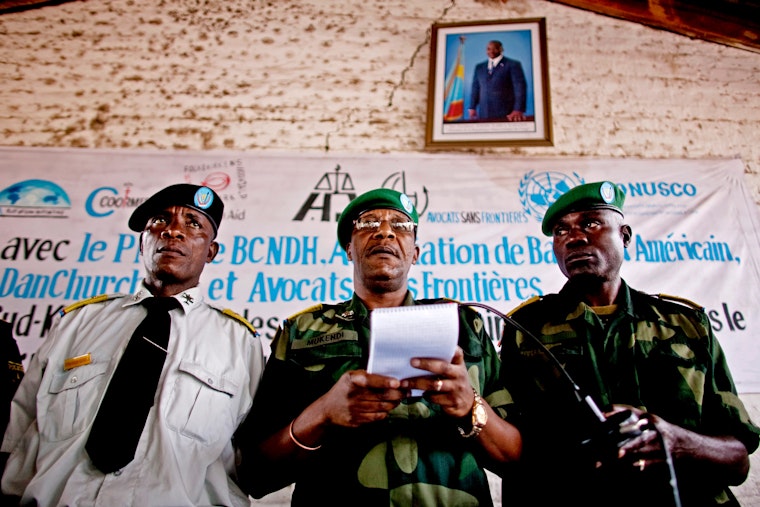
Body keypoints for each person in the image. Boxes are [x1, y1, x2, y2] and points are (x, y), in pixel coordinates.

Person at [234, 188, 522, 506]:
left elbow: (519, 460)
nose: (384, 231)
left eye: (400, 225)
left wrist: (470, 407)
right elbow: (254, 473)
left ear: (415, 252)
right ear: (348, 248)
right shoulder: (301, 331)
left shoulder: (464, 326)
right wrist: (322, 414)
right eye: (369, 223)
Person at [0, 184, 265, 506]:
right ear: (142, 242)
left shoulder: (239, 343)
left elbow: (247, 460)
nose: (173, 232)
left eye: (193, 223)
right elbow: (18, 435)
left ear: (211, 251)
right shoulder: (77, 323)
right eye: (160, 221)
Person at [499, 181, 760, 506]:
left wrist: (676, 441)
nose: (574, 237)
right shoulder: (525, 330)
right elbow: (506, 450)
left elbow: (738, 460)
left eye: (591, 223)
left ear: (625, 236)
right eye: (561, 232)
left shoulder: (686, 325)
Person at [468, 40, 527, 122]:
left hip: (506, 112)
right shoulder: (479, 67)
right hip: (484, 112)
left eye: (495, 49)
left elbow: (520, 88)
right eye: (488, 49)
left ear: (501, 49)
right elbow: (475, 88)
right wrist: (472, 107)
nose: (491, 51)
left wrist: (518, 109)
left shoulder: (513, 64)